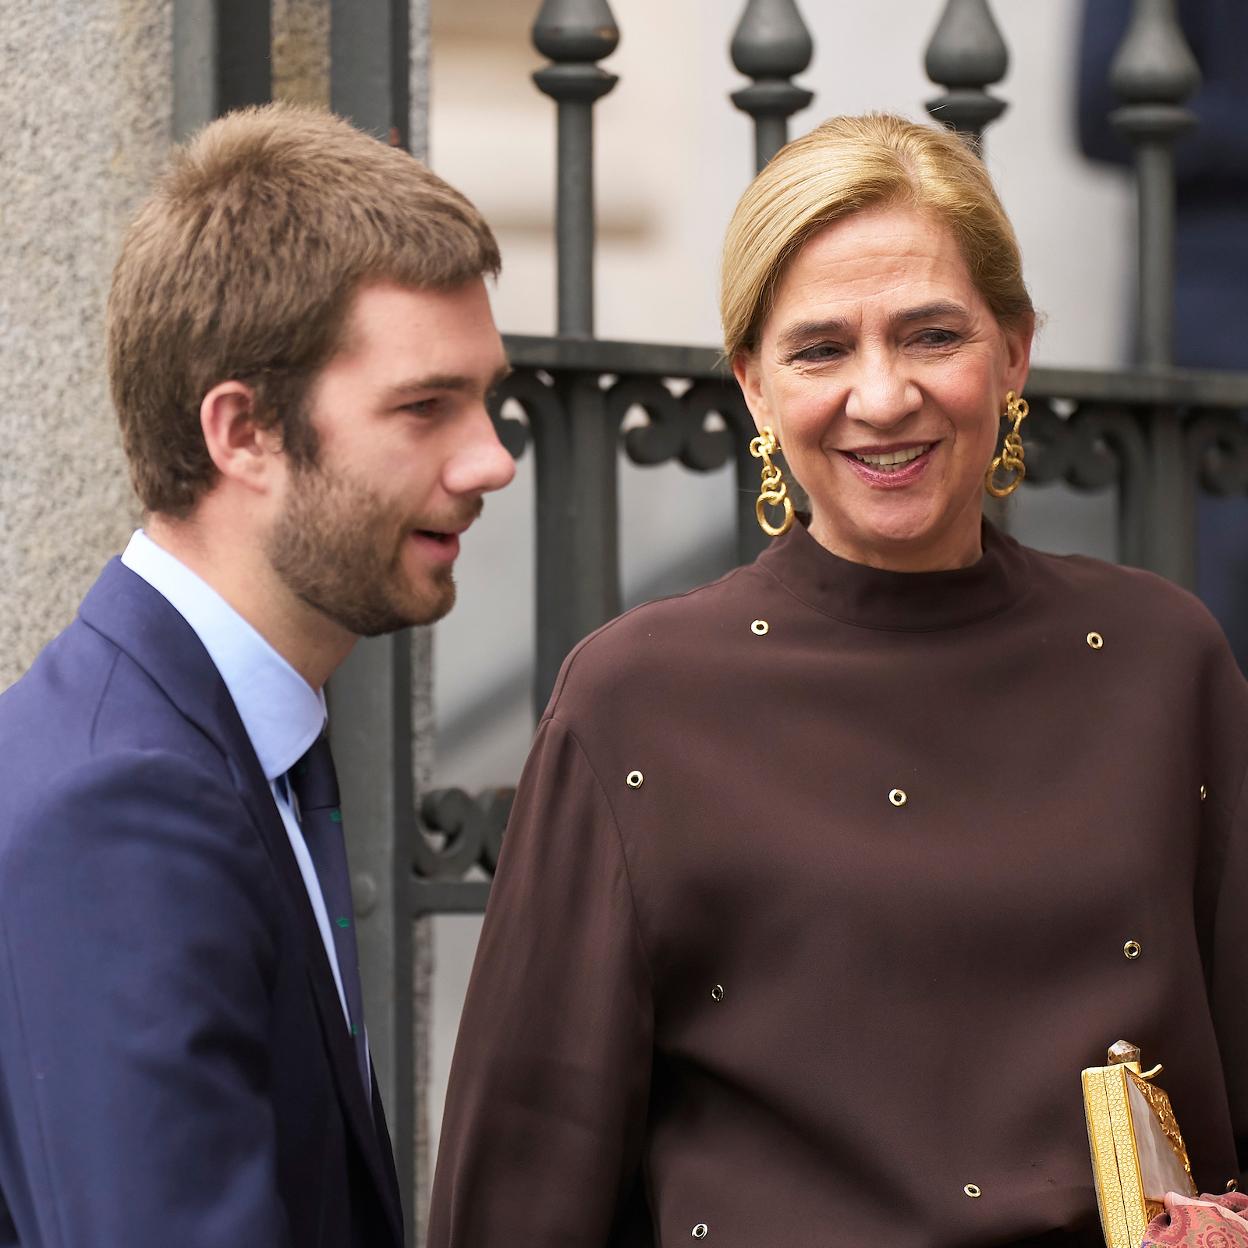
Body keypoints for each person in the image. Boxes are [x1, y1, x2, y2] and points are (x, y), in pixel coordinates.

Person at [427, 114, 1247, 1247]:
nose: (881, 396)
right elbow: (523, 1189)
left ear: (1013, 351)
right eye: (821, 350)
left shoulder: (1166, 660)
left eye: (931, 336)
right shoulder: (636, 704)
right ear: (754, 386)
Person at [0, 102, 515, 1247]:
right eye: (426, 408)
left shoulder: (215, 738)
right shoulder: (118, 804)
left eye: (488, 398)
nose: (493, 460)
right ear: (243, 433)